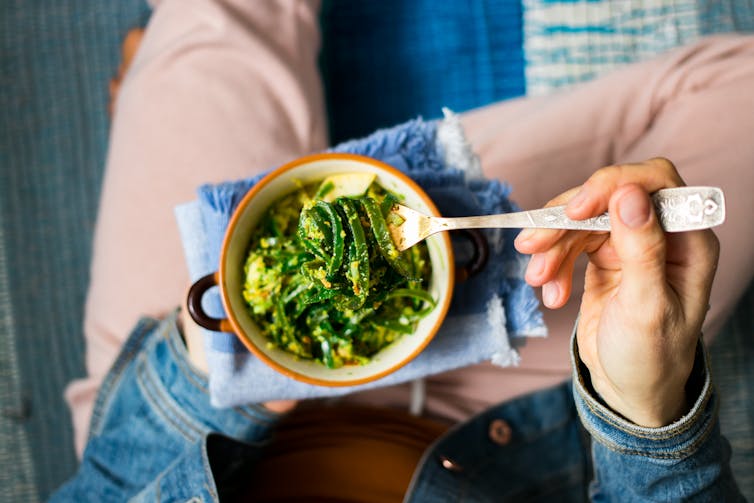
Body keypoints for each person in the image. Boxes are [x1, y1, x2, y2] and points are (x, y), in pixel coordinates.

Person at [55, 0, 754, 500]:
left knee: (218, 20)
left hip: (195, 404)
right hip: (477, 432)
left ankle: (183, 72)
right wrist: (646, 411)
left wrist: (214, 357)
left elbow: (107, 483)